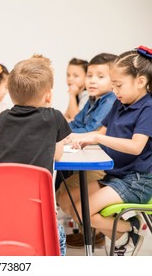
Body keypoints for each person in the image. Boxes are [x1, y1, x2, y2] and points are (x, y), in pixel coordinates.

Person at [58, 46, 152, 256]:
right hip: (116, 175)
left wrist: (97, 137)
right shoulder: (121, 102)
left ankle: (129, 228)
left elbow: (136, 146)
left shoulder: (148, 108)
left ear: (140, 82)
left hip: (137, 180)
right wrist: (71, 137)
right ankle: (125, 238)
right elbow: (99, 131)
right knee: (69, 200)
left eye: (118, 85)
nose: (115, 90)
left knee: (83, 211)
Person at [0, 54, 72, 256]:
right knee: (58, 235)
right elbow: (58, 156)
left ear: (10, 93)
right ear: (48, 95)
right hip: (38, 210)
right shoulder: (54, 117)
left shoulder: (2, 118)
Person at [56, 53, 118, 248]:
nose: (92, 81)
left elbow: (91, 131)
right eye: (90, 75)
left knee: (65, 195)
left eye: (100, 76)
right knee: (61, 192)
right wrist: (60, 130)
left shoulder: (109, 101)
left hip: (105, 165)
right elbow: (75, 124)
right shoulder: (93, 100)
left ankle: (101, 231)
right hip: (91, 155)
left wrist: (64, 134)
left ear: (114, 79)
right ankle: (93, 233)